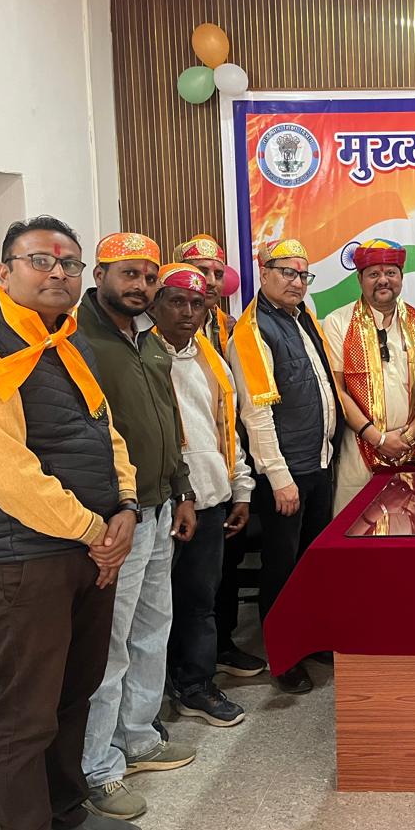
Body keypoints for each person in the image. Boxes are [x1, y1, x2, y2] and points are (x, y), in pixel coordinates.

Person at [0, 217, 143, 830]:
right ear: (4, 272)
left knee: (75, 695)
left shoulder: (65, 343)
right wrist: (94, 530)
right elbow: (5, 473)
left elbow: (106, 434)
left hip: (89, 552)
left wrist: (126, 506)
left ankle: (66, 813)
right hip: (26, 562)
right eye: (41, 261)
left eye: (70, 264)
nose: (59, 273)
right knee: (26, 714)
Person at [78, 233, 198, 821]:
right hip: (113, 519)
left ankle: (139, 738)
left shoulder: (148, 340)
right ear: (99, 274)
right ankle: (97, 768)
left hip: (158, 507)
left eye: (150, 277)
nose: (141, 286)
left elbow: (167, 420)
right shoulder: (77, 340)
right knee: (109, 646)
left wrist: (182, 489)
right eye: (129, 274)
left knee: (152, 630)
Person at [228, 237, 343, 695]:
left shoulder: (302, 316)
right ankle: (283, 655)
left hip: (318, 462)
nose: (297, 282)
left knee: (310, 562)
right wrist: (278, 478)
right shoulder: (253, 330)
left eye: (303, 274)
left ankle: (310, 639)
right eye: (287, 273)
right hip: (287, 474)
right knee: (281, 567)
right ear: (264, 273)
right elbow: (256, 413)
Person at [149, 263, 255, 728]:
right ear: (155, 304)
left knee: (199, 603)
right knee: (152, 613)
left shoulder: (210, 359)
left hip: (210, 500)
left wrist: (241, 489)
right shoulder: (142, 355)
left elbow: (225, 431)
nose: (189, 312)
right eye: (177, 301)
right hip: (163, 504)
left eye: (197, 303)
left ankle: (195, 686)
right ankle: (148, 706)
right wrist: (182, 495)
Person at [173, 233, 266, 680]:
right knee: (189, 588)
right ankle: (189, 672)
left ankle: (222, 646)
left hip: (230, 465)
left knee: (223, 569)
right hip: (186, 483)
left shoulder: (230, 328)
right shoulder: (163, 337)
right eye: (200, 272)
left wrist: (240, 482)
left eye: (216, 273)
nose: (209, 282)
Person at [324, 238, 415, 511]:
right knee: (357, 526)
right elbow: (337, 390)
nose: (383, 280)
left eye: (390, 273)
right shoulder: (338, 322)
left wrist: (410, 436)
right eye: (374, 274)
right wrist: (378, 439)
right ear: (360, 278)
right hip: (359, 448)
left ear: (401, 277)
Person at [173, 233, 233, 352]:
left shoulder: (228, 325)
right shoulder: (166, 325)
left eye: (218, 275)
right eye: (202, 272)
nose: (212, 282)